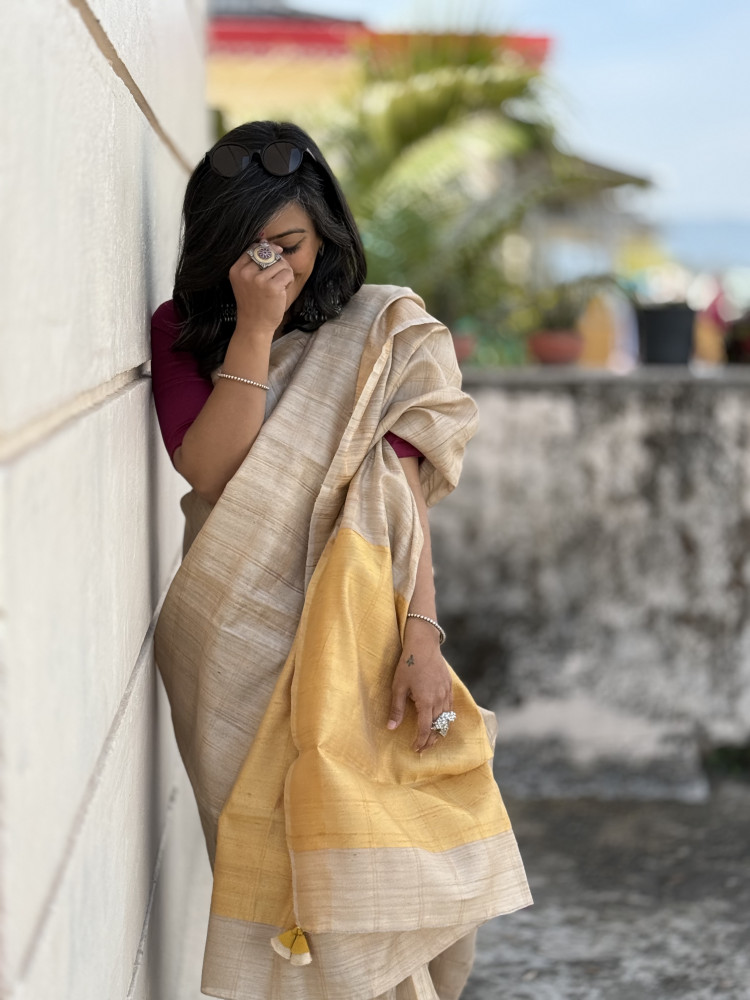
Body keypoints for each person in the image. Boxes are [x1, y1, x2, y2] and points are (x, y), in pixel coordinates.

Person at [151, 120, 531, 1000]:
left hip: (360, 636)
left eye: (287, 245)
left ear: (324, 231)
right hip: (231, 644)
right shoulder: (183, 328)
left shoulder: (383, 330)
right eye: (246, 248)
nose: (269, 264)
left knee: (377, 857)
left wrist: (423, 637)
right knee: (276, 881)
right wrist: (254, 328)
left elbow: (401, 503)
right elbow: (212, 470)